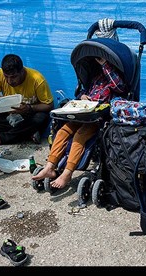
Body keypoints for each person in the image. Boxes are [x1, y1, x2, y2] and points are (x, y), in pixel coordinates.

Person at [33, 57, 127, 189]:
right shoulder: (95, 77)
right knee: (62, 131)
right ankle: (50, 166)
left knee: (79, 136)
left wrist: (105, 65)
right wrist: (82, 96)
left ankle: (67, 173)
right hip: (82, 112)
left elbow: (120, 87)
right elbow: (84, 90)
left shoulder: (114, 78)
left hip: (98, 117)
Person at [0, 54, 54, 145]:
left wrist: (29, 108)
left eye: (14, 77)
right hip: (11, 116)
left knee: (41, 118)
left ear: (22, 71)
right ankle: (28, 132)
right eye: (6, 77)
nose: (9, 81)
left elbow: (49, 105)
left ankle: (3, 138)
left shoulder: (37, 79)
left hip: (30, 115)